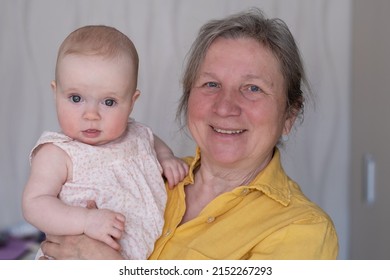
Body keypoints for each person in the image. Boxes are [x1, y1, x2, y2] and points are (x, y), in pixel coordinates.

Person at [40, 8, 339, 260]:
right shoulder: (141, 172)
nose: (225, 106)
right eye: (211, 84)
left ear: (290, 115)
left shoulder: (303, 229)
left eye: (253, 88)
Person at [22, 25, 188, 260]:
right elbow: (35, 204)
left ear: (132, 102)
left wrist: (167, 157)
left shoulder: (137, 134)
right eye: (76, 98)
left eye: (108, 102)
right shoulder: (58, 153)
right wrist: (85, 220)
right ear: (55, 93)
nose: (91, 114)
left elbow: (152, 141)